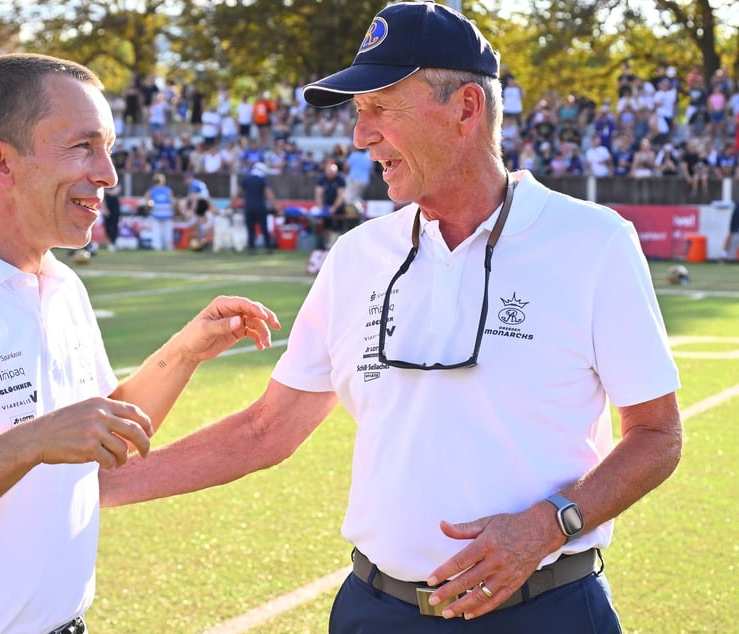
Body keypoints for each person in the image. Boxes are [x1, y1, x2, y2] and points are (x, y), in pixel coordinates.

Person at [98, 3, 682, 633]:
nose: (360, 136)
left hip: (546, 610)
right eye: (358, 113)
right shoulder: (356, 255)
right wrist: (94, 491)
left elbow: (656, 437)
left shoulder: (591, 242)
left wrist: (550, 525)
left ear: (465, 108)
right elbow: (267, 429)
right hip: (375, 612)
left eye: (382, 108)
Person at [0, 53, 280, 634]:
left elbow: (99, 433)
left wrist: (184, 351)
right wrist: (29, 443)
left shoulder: (62, 284)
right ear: (0, 160)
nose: (108, 173)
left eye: (108, 147)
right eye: (83, 147)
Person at [234, 161, 278, 254]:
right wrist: (276, 206)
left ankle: (251, 248)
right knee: (264, 228)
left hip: (248, 207)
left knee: (250, 229)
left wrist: (232, 204)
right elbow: (268, 194)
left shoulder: (246, 179)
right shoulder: (262, 180)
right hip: (260, 206)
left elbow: (237, 193)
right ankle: (268, 247)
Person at [141, 172, 176, 250]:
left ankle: (158, 247)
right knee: (167, 232)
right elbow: (172, 201)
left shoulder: (152, 190)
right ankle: (168, 247)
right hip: (166, 213)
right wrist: (173, 211)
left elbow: (146, 200)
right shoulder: (167, 190)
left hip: (156, 213)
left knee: (157, 232)